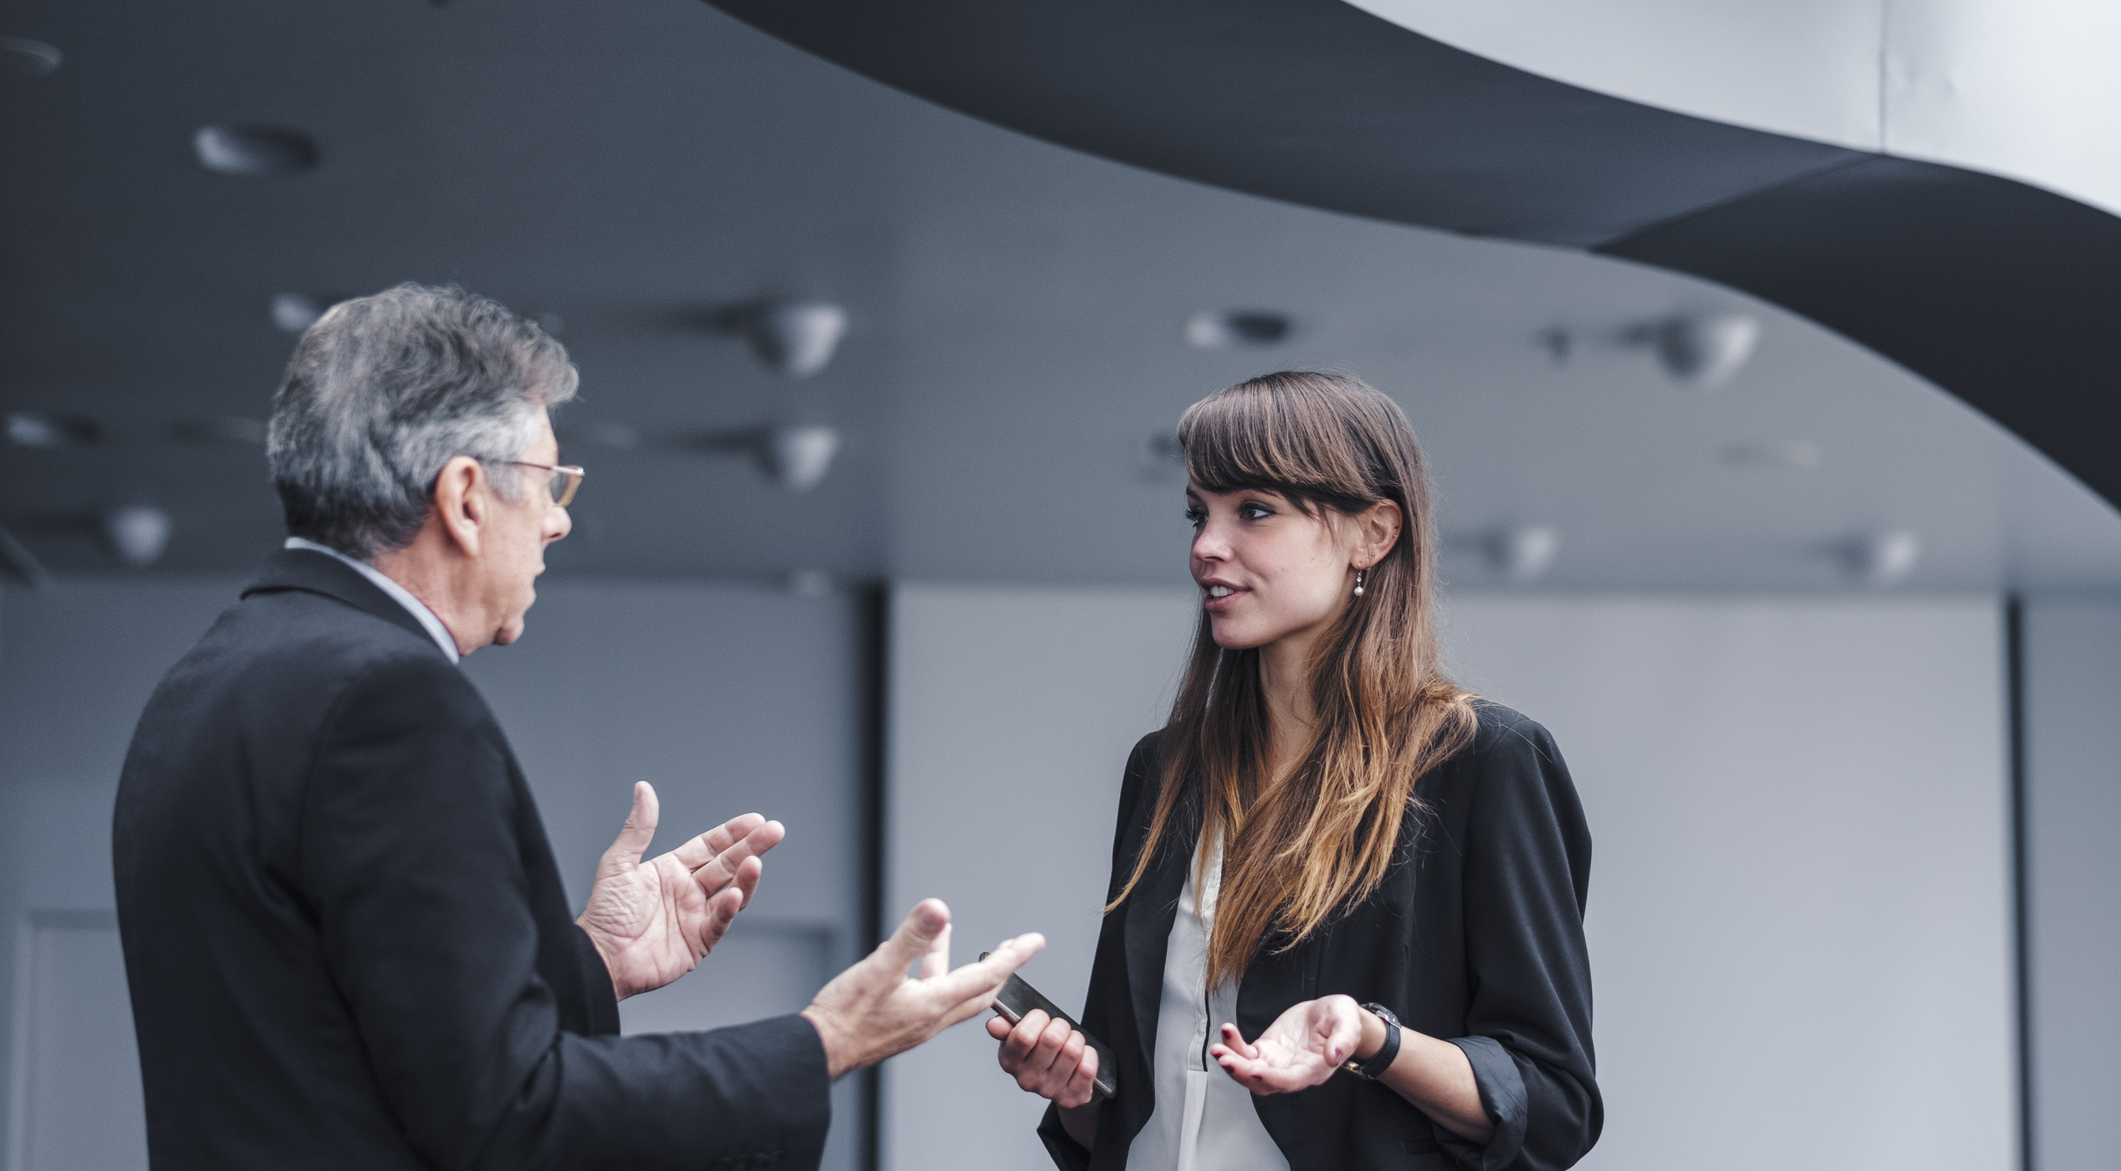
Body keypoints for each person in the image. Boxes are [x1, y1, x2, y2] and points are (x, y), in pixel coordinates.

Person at [113, 283, 1041, 1171]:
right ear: (466, 497)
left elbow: (347, 1040)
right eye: (549, 483)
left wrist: (593, 961)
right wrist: (823, 1043)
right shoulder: (390, 703)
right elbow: (507, 1118)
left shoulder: (209, 680)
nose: (558, 522)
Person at [988, 371, 1599, 1171]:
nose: (1206, 546)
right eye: (1197, 514)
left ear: (1373, 534)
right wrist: (1073, 1085)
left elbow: (1551, 1105)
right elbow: (1126, 1118)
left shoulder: (1481, 759)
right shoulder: (1164, 770)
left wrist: (1370, 1037)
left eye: (1254, 511)